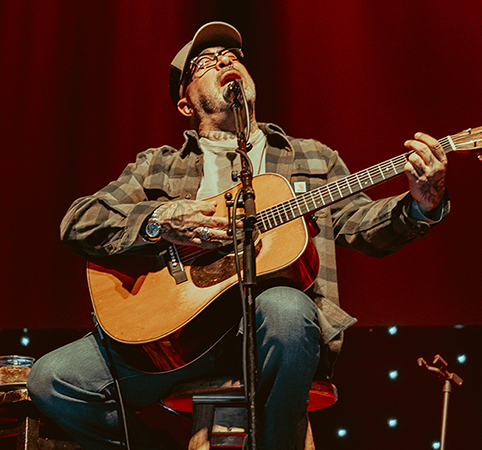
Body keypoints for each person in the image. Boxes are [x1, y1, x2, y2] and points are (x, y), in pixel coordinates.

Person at [27, 21, 449, 450]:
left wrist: (421, 204)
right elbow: (80, 221)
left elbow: (363, 225)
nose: (225, 60)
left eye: (232, 56)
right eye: (206, 62)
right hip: (178, 335)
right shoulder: (158, 166)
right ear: (186, 104)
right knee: (52, 380)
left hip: (277, 336)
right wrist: (161, 218)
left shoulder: (310, 157)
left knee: (286, 306)